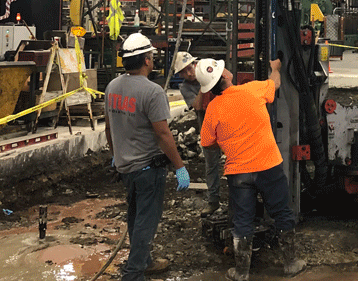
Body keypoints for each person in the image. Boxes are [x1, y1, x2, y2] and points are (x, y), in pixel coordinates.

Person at [197, 58, 306, 281]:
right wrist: (275, 68)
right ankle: (291, 264)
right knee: (282, 213)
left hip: (238, 172)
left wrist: (228, 140)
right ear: (226, 75)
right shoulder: (253, 89)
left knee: (242, 220)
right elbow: (275, 84)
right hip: (269, 166)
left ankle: (241, 272)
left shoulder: (213, 109)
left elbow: (207, 142)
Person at [105, 33, 190, 280]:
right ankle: (134, 273)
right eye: (151, 56)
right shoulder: (152, 92)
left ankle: (145, 260)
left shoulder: (112, 87)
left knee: (135, 216)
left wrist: (115, 155)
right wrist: (179, 166)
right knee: (146, 222)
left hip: (126, 168)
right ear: (146, 60)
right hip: (148, 169)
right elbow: (163, 134)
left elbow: (109, 128)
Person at [174, 51, 222, 215]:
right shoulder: (186, 88)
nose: (189, 72)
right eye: (184, 71)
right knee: (211, 166)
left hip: (226, 123)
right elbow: (198, 105)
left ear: (195, 64)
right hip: (208, 129)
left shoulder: (211, 71)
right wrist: (204, 84)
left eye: (191, 68)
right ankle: (214, 201)